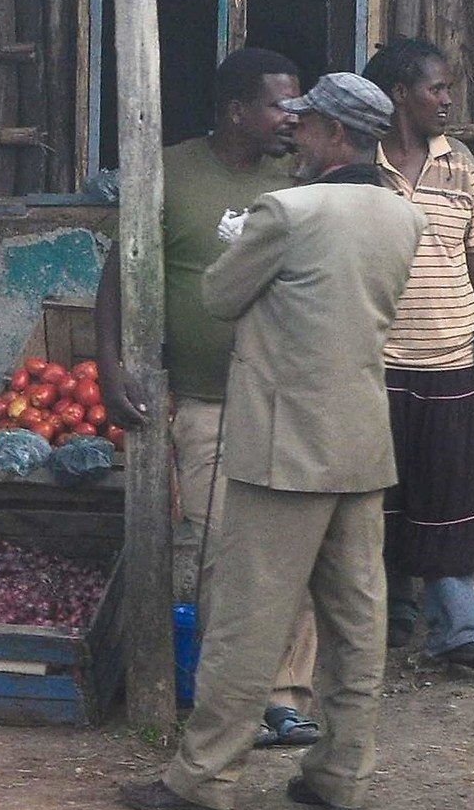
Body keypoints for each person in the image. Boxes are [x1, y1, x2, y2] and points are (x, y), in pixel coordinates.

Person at [119, 73, 424, 810]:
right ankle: (341, 774)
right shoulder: (401, 214)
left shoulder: (286, 211)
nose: (295, 132)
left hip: (283, 446)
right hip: (359, 442)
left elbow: (221, 296)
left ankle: (204, 777)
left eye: (308, 124)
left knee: (245, 621)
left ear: (338, 136)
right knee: (357, 622)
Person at [96, 48, 324, 748]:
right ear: (235, 111)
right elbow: (120, 274)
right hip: (204, 403)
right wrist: (108, 367)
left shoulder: (301, 178)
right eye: (280, 105)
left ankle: (284, 696)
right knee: (222, 551)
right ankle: (234, 701)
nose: (293, 118)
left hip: (287, 399)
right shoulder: (172, 171)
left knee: (292, 552)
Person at [361, 37, 474, 670]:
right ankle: (391, 610)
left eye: (448, 88)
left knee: (452, 495)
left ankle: (459, 631)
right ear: (399, 94)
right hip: (376, 356)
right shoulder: (360, 165)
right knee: (378, 496)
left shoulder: (460, 162)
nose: (447, 100)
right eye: (435, 89)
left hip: (450, 352)